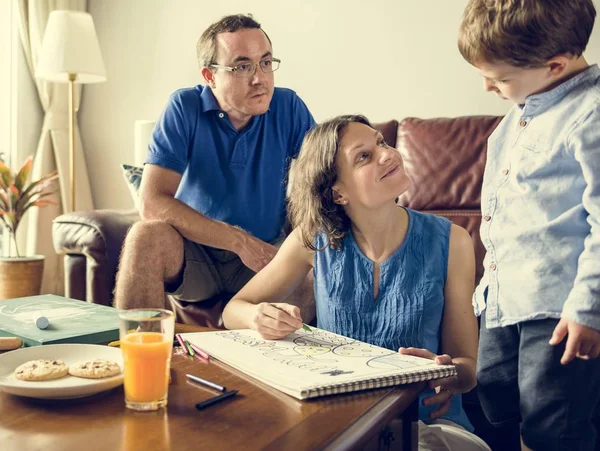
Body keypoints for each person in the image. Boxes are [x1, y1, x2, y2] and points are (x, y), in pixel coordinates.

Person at [222, 115, 488, 449]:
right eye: (364, 156)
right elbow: (234, 310)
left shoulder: (454, 241)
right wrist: (258, 317)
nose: (387, 154)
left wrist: (446, 373)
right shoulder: (313, 240)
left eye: (381, 143)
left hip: (429, 428)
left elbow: (467, 367)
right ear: (337, 193)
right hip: (344, 427)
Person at [458, 1, 600, 449]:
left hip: (558, 308)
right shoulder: (519, 112)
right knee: (492, 404)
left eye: (499, 78)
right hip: (503, 300)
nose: (486, 87)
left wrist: (588, 309)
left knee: (552, 424)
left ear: (555, 64)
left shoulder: (590, 114)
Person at [114, 14, 315, 321]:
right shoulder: (184, 107)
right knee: (144, 236)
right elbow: (152, 202)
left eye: (265, 62)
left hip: (263, 260)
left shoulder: (288, 106)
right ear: (210, 76)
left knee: (318, 261)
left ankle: (290, 365)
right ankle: (143, 361)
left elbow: (326, 177)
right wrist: (239, 241)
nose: (259, 78)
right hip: (196, 256)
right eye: (242, 66)